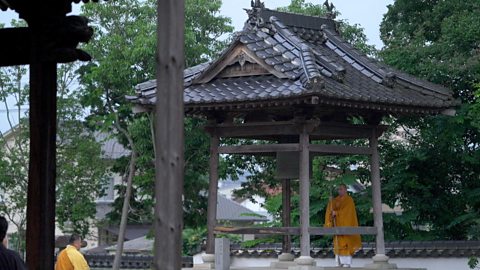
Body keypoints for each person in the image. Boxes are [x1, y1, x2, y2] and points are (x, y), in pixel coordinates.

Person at [324, 184, 361, 268]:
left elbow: (347, 213)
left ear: (345, 190)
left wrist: (336, 213)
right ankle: (338, 261)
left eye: (341, 189)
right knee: (338, 244)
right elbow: (331, 210)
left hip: (346, 226)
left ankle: (347, 262)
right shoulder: (335, 200)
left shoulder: (349, 200)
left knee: (346, 245)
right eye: (338, 190)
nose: (339, 191)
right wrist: (331, 203)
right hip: (337, 227)